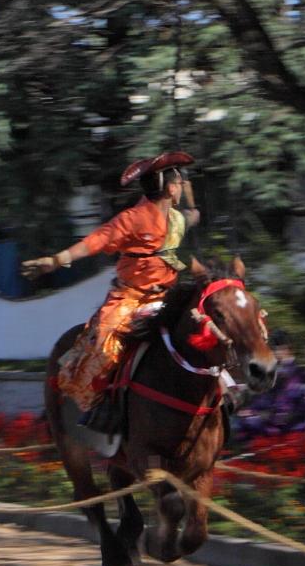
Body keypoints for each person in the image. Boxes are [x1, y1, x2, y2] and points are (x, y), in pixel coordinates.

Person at [21, 151, 200, 420]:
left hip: (168, 295)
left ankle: (222, 391)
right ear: (170, 188)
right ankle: (98, 407)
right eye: (178, 183)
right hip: (131, 298)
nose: (180, 187)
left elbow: (189, 218)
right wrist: (58, 259)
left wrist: (192, 212)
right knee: (107, 341)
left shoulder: (175, 219)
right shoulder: (132, 218)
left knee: (208, 323)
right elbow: (98, 240)